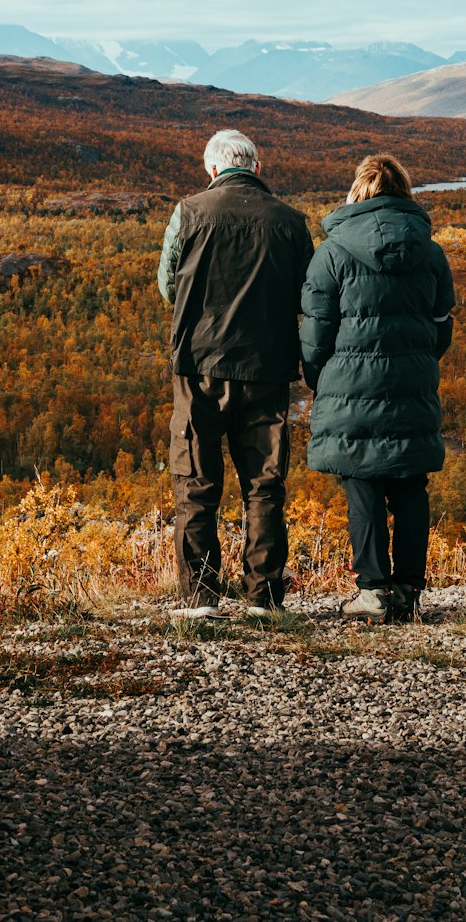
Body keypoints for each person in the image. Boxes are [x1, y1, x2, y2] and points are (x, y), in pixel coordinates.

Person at [158, 129, 313, 617]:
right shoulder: (291, 222)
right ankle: (263, 599)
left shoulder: (188, 213)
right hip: (267, 370)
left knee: (196, 480)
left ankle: (201, 597)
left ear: (211, 170)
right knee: (264, 483)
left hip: (199, 368)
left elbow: (168, 286)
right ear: (257, 168)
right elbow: (309, 295)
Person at [300, 154, 456, 624]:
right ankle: (408, 591)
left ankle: (372, 591)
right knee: (410, 482)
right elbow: (441, 325)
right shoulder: (429, 251)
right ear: (405, 191)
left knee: (362, 482)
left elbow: (315, 332)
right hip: (412, 384)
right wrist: (419, 361)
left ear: (358, 191)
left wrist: (321, 379)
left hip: (349, 388)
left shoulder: (331, 253)